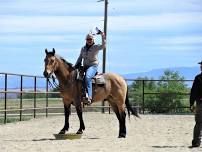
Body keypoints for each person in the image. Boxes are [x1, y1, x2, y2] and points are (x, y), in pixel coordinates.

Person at [74, 30, 106, 105]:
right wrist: (75, 66)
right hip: (84, 66)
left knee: (87, 77)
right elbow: (80, 58)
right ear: (86, 40)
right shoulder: (83, 48)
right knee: (75, 77)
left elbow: (103, 46)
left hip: (93, 66)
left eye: (90, 39)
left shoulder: (96, 47)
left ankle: (89, 97)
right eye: (88, 39)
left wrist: (102, 35)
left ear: (93, 40)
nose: (89, 41)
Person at [190, 60, 202, 147]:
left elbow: (193, 92)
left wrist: (191, 103)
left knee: (198, 123)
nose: (200, 66)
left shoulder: (198, 78)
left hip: (200, 103)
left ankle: (196, 141)